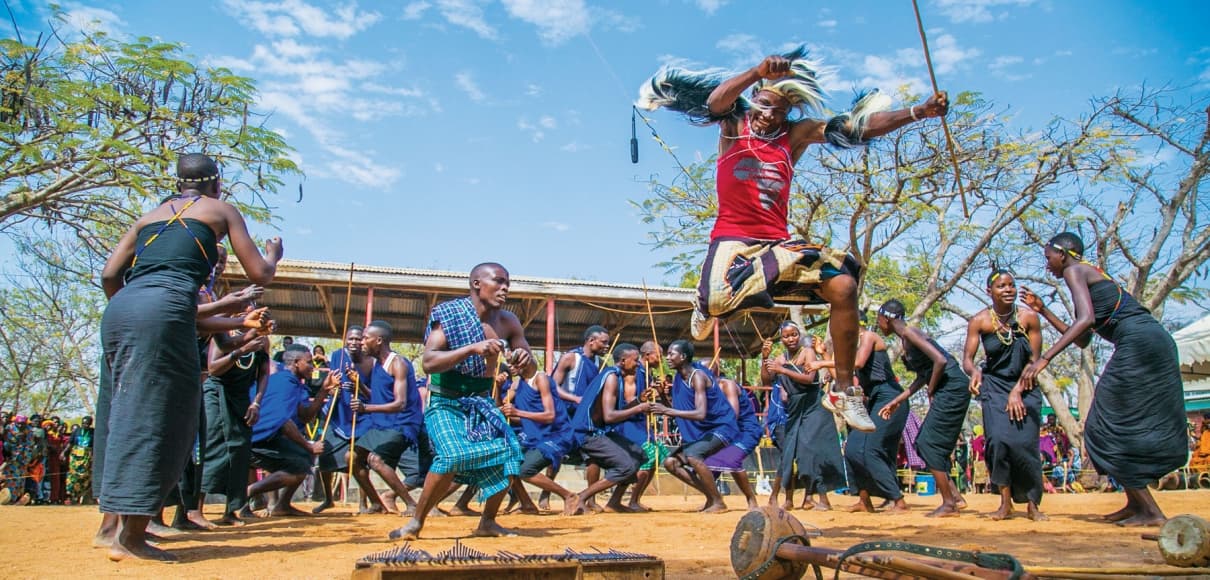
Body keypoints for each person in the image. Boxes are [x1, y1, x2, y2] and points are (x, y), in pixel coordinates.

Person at [638, 46, 949, 434]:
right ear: (755, 98)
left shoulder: (795, 135)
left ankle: (843, 389)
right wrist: (757, 71)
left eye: (781, 110)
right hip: (734, 239)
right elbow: (716, 101)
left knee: (844, 285)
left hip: (777, 244)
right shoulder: (734, 123)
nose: (770, 115)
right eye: (766, 105)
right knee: (716, 301)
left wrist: (919, 111)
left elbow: (858, 127)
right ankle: (705, 303)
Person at [95, 153, 280, 561]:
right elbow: (260, 274)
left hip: (122, 310)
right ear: (216, 183)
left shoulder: (148, 217)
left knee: (120, 413)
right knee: (164, 420)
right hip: (165, 310)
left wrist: (139, 307)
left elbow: (109, 276)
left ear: (179, 183)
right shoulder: (220, 210)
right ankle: (132, 537)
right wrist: (273, 256)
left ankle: (109, 528)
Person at [1019, 232, 1187, 526]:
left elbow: (1084, 320)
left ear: (1063, 254)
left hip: (1139, 343)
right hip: (1150, 342)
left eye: (1048, 258)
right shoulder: (1087, 272)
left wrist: (1045, 358)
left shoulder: (1074, 270)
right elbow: (1083, 338)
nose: (1047, 265)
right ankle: (1135, 504)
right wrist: (1042, 310)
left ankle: (1150, 511)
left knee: (1100, 425)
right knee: (1106, 424)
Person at [389, 263, 531, 540]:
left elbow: (527, 360)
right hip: (445, 401)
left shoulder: (508, 321)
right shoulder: (450, 315)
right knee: (452, 456)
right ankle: (416, 522)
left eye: (507, 283)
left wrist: (523, 357)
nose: (505, 288)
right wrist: (472, 349)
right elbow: (429, 362)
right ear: (477, 283)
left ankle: (488, 522)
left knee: (510, 453)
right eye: (498, 281)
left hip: (482, 402)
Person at [962, 268, 1047, 521]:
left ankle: (1032, 504)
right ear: (989, 291)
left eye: (1011, 285)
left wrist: (1018, 390)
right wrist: (974, 372)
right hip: (995, 387)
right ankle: (1005, 503)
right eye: (1001, 286)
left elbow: (1034, 361)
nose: (1008, 290)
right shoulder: (980, 321)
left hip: (1026, 385)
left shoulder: (1029, 318)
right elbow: (967, 359)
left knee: (1025, 445)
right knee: (998, 442)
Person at [876, 299, 971, 518]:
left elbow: (940, 361)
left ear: (886, 318)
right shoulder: (907, 341)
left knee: (928, 443)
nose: (878, 324)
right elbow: (923, 376)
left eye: (878, 319)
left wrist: (932, 389)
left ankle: (949, 504)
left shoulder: (910, 333)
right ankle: (955, 497)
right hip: (947, 388)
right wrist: (897, 400)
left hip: (952, 388)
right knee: (922, 443)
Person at [820, 319, 909, 514]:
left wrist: (821, 362)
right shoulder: (851, 349)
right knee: (852, 449)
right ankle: (864, 500)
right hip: (872, 401)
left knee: (871, 450)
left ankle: (898, 500)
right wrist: (824, 354)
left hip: (890, 399)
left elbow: (858, 363)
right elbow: (842, 376)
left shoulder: (868, 337)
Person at [763, 323, 845, 511]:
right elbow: (766, 380)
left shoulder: (807, 352)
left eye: (794, 334)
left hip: (813, 405)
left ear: (799, 335)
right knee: (792, 452)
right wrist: (764, 358)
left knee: (811, 451)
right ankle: (794, 498)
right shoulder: (780, 358)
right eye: (786, 336)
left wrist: (783, 370)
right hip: (794, 408)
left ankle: (822, 499)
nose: (791, 339)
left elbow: (809, 379)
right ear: (781, 339)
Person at [652, 340, 739, 513]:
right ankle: (711, 497)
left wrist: (666, 410)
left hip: (722, 428)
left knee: (693, 455)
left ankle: (718, 502)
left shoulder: (697, 377)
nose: (667, 358)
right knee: (670, 463)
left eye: (671, 354)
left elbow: (700, 413)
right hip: (704, 432)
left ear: (683, 357)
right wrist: (662, 396)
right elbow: (677, 410)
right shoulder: (679, 378)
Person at [201, 316, 272, 525]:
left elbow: (263, 373)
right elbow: (213, 368)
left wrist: (256, 402)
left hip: (242, 398)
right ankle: (194, 509)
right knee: (213, 445)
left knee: (240, 448)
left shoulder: (262, 340)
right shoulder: (224, 335)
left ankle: (232, 509)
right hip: (217, 393)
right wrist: (242, 350)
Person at [349, 320, 422, 515]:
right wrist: (360, 386)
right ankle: (376, 503)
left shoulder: (398, 363)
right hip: (381, 424)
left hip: (402, 423)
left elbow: (400, 403)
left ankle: (411, 504)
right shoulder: (377, 364)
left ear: (379, 340)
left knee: (376, 460)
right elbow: (379, 396)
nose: (361, 342)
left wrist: (366, 408)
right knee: (352, 457)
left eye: (365, 338)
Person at [568, 343, 649, 513]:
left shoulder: (617, 376)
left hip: (598, 431)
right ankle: (579, 497)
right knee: (626, 466)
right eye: (635, 360)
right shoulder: (612, 377)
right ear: (623, 361)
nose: (638, 364)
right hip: (586, 433)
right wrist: (639, 408)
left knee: (639, 455)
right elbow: (610, 416)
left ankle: (614, 502)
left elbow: (615, 412)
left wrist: (639, 401)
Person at [248, 345, 327, 517]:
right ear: (297, 363)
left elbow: (305, 416)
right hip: (256, 440)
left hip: (263, 437)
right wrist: (309, 446)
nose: (313, 367)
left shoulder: (292, 383)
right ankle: (249, 492)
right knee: (300, 464)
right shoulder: (286, 383)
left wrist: (324, 390)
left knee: (302, 456)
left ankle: (282, 505)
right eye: (309, 362)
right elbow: (283, 421)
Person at [500, 370, 581, 515]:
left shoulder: (541, 379)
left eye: (516, 361)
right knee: (505, 461)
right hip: (532, 434)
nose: (512, 367)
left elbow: (549, 415)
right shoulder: (516, 385)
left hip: (556, 434)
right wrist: (498, 386)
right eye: (510, 362)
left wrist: (517, 412)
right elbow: (505, 409)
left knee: (525, 470)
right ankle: (527, 504)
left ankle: (569, 496)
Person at [312, 326, 366, 513]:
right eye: (350, 339)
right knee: (325, 454)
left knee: (359, 460)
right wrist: (333, 387)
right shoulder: (338, 355)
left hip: (360, 415)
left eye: (358, 339)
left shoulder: (368, 358)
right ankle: (329, 499)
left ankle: (363, 502)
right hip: (337, 412)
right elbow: (332, 378)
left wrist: (358, 385)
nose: (354, 342)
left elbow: (371, 385)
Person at [705, 376, 763, 510]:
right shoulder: (701, 391)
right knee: (704, 463)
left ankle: (751, 499)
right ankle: (713, 500)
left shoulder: (727, 385)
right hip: (724, 431)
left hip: (746, 431)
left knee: (731, 460)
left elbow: (732, 416)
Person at [65, 416, 95, 505]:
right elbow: (70, 443)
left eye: (87, 424)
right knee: (73, 476)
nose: (85, 425)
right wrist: (64, 452)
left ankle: (80, 497)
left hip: (86, 457)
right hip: (75, 457)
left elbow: (95, 446)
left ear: (90, 424)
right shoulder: (77, 431)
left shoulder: (93, 432)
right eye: (83, 423)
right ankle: (71, 496)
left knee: (84, 477)